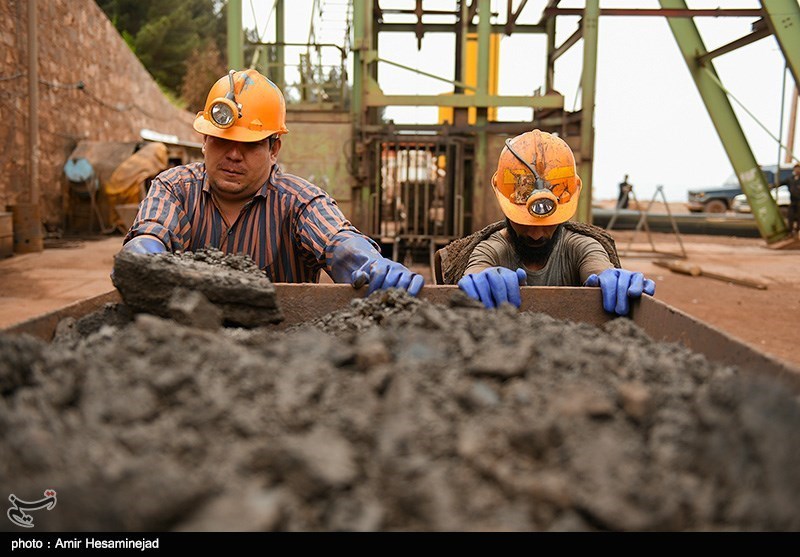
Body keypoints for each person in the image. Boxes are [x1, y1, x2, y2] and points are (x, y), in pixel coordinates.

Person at [121, 69, 423, 296]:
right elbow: (151, 232)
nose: (234, 155)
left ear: (274, 149)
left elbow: (337, 242)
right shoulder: (175, 188)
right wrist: (143, 255)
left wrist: (368, 264)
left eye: (250, 145)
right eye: (223, 141)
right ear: (205, 140)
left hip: (281, 350)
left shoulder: (299, 201)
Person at [448, 129, 655, 316]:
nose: (536, 235)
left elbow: (597, 264)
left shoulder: (578, 246)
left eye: (549, 223)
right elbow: (477, 267)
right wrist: (480, 277)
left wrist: (610, 276)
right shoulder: (491, 249)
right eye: (525, 223)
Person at [788, 163, 800, 238]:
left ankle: (797, 231)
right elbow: (781, 183)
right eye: (796, 169)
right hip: (793, 201)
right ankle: (790, 232)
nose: (797, 170)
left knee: (799, 217)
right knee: (790, 216)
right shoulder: (790, 179)